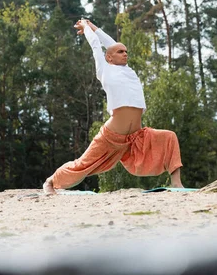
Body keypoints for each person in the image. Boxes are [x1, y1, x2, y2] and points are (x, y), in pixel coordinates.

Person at [42, 19, 184, 194]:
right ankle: (50, 181)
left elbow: (112, 45)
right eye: (120, 52)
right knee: (82, 165)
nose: (125, 54)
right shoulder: (105, 69)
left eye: (126, 51)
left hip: (136, 137)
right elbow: (97, 45)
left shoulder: (129, 71)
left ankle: (176, 183)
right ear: (109, 57)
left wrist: (92, 25)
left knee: (169, 137)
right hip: (111, 136)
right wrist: (87, 28)